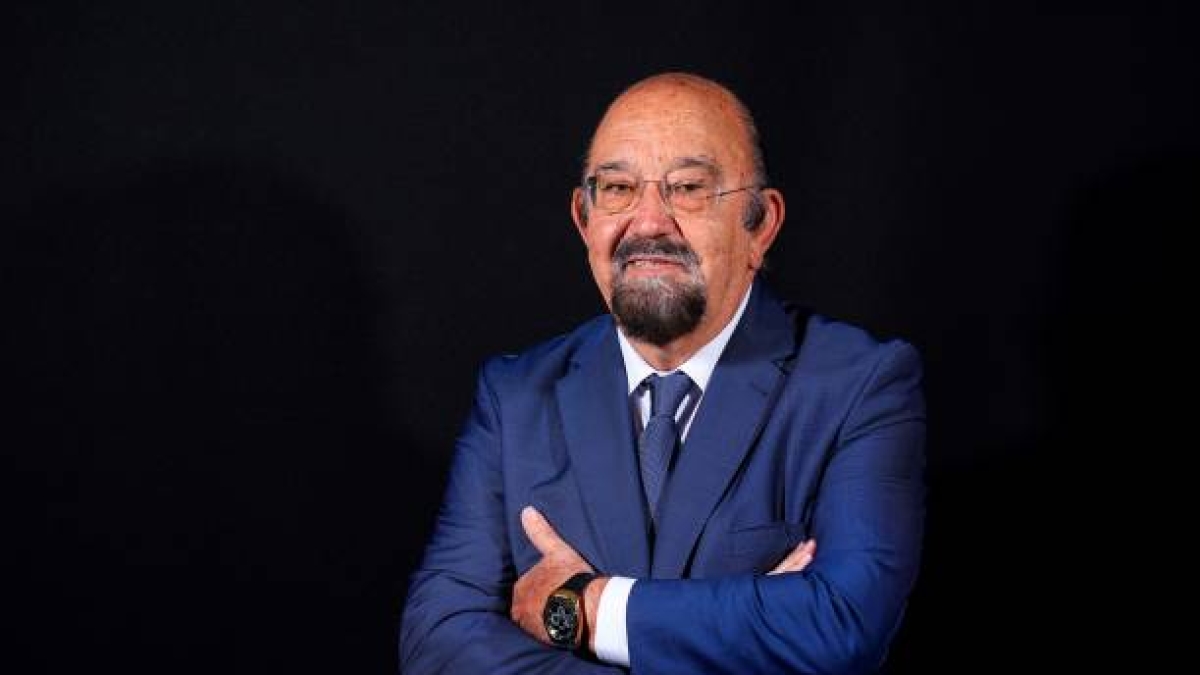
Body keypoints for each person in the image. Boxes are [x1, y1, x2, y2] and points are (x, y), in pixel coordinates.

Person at [399, 72, 925, 674]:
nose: (648, 222)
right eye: (618, 188)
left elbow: (841, 624)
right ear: (584, 219)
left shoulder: (859, 385)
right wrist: (748, 628)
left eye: (689, 188)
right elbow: (437, 640)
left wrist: (583, 607)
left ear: (761, 225)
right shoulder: (515, 396)